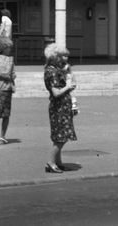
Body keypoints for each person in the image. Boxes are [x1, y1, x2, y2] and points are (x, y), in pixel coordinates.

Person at [43, 43, 78, 173]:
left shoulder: (57, 70)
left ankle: (58, 162)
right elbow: (56, 92)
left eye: (66, 56)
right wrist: (68, 86)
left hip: (63, 106)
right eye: (62, 56)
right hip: (59, 107)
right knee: (62, 137)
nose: (65, 58)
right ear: (55, 57)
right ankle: (50, 162)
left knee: (60, 136)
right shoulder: (51, 72)